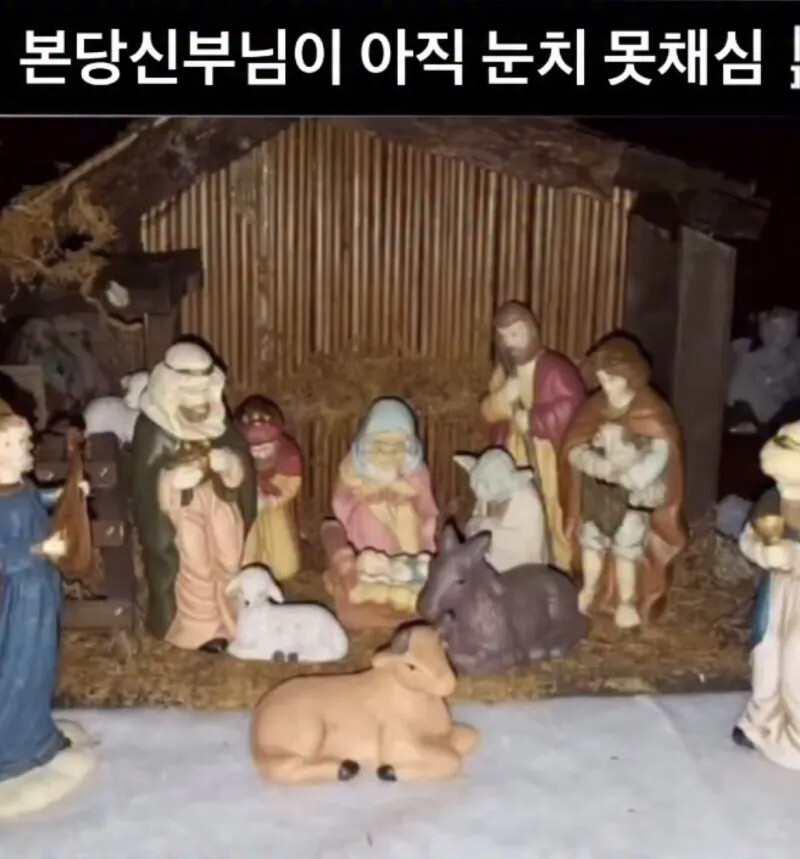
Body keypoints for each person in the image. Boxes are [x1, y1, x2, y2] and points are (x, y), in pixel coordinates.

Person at [130, 341, 256, 652]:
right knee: (195, 562)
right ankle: (200, 628)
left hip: (220, 501)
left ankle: (234, 618)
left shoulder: (217, 419)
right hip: (181, 511)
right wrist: (171, 481)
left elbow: (238, 455)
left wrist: (230, 465)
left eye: (204, 392)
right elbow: (144, 481)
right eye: (190, 393)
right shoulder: (152, 428)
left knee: (229, 556)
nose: (200, 402)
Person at [0, 402, 95, 816]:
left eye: (26, 441)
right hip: (15, 603)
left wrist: (66, 494)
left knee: (40, 667)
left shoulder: (20, 487)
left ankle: (37, 736)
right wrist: (40, 548)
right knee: (16, 670)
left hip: (40, 596)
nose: (29, 448)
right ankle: (10, 749)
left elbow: (37, 502)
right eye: (19, 443)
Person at [560, 336, 687, 629]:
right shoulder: (595, 407)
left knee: (627, 545)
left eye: (613, 379)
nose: (607, 386)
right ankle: (590, 588)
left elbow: (662, 452)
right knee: (591, 540)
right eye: (602, 378)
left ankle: (628, 602)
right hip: (599, 493)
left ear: (631, 375)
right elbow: (574, 448)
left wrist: (633, 476)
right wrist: (598, 465)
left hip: (634, 497)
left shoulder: (651, 409)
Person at [479, 301, 585, 571]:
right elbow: (487, 412)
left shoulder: (554, 368)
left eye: (515, 334)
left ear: (531, 330)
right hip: (514, 449)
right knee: (516, 503)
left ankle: (558, 563)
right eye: (504, 337)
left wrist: (535, 420)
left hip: (546, 454)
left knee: (550, 503)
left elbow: (571, 406)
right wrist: (504, 398)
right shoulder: (504, 373)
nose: (510, 343)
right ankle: (521, 560)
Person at [733, 420, 800, 768]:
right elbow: (749, 537)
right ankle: (760, 722)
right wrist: (763, 552)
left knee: (796, 663)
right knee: (766, 655)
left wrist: (792, 556)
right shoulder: (772, 500)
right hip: (778, 593)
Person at [332, 397, 438, 556]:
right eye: (380, 444)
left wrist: (405, 492)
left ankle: (410, 560)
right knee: (368, 518)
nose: (388, 452)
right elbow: (342, 498)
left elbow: (424, 503)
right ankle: (373, 559)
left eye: (397, 445)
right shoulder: (353, 467)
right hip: (368, 518)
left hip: (403, 519)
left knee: (407, 516)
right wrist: (365, 492)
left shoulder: (416, 471)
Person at [234, 395, 303, 581]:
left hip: (275, 509)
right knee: (247, 543)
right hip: (247, 510)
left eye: (265, 448)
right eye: (255, 449)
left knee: (283, 553)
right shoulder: (237, 460)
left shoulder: (288, 457)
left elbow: (291, 483)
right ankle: (248, 566)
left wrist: (274, 499)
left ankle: (279, 567)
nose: (260, 454)